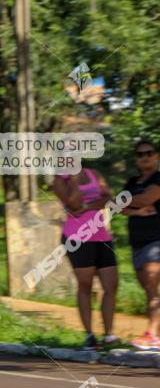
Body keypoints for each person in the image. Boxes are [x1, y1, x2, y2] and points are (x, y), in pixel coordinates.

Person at [52, 166, 119, 350]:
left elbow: (108, 198)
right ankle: (90, 335)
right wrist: (73, 179)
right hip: (77, 237)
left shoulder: (94, 174)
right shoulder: (60, 180)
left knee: (111, 285)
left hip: (101, 235)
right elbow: (73, 204)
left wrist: (89, 206)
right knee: (86, 285)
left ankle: (109, 334)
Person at [121, 140, 160, 350]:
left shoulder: (158, 178)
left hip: (155, 242)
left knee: (153, 288)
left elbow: (146, 198)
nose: (144, 156)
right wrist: (134, 210)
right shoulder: (132, 181)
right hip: (137, 243)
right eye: (140, 154)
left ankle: (152, 335)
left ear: (156, 156)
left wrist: (128, 201)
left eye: (149, 153)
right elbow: (117, 206)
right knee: (149, 290)